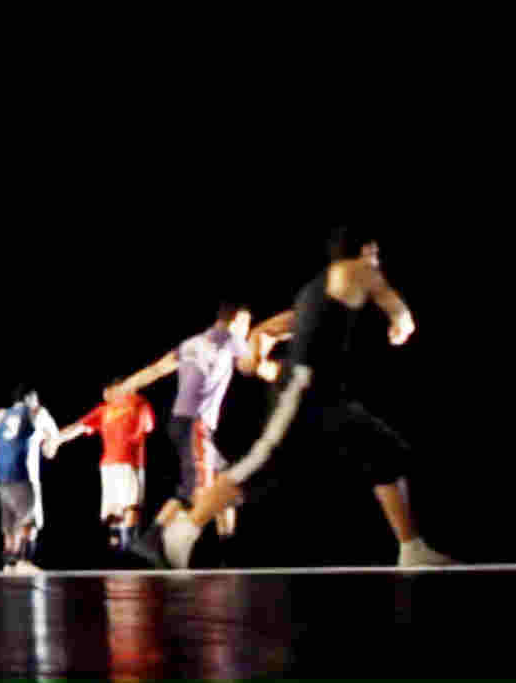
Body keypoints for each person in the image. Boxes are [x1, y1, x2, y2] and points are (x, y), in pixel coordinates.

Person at [144, 227, 457, 570]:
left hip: (327, 396)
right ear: (363, 251)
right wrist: (402, 320)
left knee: (384, 451)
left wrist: (258, 364)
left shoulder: (320, 293)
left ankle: (411, 547)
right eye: (375, 254)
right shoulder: (353, 270)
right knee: (259, 463)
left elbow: (265, 331)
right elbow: (393, 305)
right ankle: (181, 532)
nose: (377, 263)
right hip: (304, 391)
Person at [112, 302, 292, 542]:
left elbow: (156, 370)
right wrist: (275, 349)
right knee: (195, 492)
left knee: (225, 482)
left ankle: (227, 543)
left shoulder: (191, 344)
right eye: (246, 325)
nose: (246, 330)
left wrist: (125, 387)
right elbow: (252, 364)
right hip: (195, 426)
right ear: (237, 321)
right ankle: (152, 541)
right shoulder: (230, 340)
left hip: (181, 422)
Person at [0, 385, 61, 574]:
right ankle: (24, 561)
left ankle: (10, 564)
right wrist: (49, 445)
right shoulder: (38, 412)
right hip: (24, 476)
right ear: (31, 399)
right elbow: (52, 446)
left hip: (3, 478)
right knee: (30, 522)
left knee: (10, 525)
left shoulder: (1, 415)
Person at [59, 380, 155, 552]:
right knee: (129, 506)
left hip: (115, 464)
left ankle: (119, 548)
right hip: (126, 463)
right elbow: (148, 426)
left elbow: (78, 427)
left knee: (117, 510)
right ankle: (129, 548)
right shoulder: (122, 406)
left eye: (107, 391)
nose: (105, 395)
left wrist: (56, 440)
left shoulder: (118, 407)